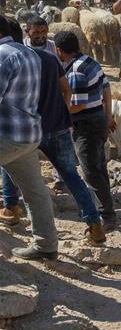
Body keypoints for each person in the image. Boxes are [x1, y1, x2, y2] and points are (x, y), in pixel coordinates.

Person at [0, 17, 59, 260]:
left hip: (6, 136)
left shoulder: (2, 55)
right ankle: (46, 244)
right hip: (29, 134)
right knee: (35, 191)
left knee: (34, 190)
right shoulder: (30, 54)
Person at [55, 30, 118, 230]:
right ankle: (107, 207)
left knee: (91, 171)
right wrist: (108, 116)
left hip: (86, 124)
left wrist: (60, 113)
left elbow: (79, 104)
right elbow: (106, 88)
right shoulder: (90, 62)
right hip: (98, 119)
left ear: (59, 50)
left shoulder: (74, 71)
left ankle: (106, 215)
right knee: (99, 167)